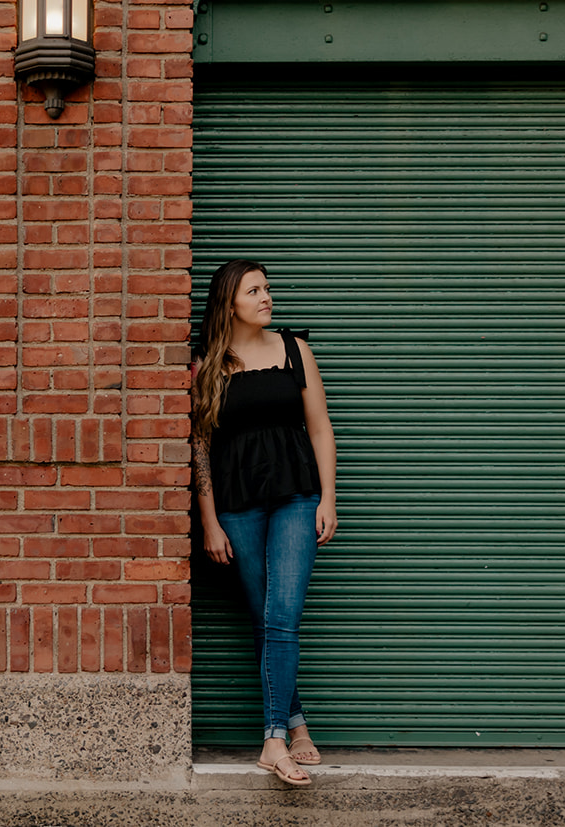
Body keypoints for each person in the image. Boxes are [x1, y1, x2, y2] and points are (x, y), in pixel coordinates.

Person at [190, 258, 338, 786]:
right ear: (229, 302)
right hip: (237, 504)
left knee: (282, 615)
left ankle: (273, 738)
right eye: (254, 291)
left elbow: (320, 429)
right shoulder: (206, 362)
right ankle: (297, 723)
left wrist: (329, 499)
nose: (266, 298)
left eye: (267, 289)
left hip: (297, 497)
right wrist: (209, 520)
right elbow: (200, 447)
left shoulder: (294, 351)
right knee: (264, 617)